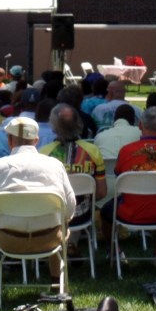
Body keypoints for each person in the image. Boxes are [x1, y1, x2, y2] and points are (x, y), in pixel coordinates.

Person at [0, 117, 76, 296]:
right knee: (59, 218)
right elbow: (70, 207)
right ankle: (56, 281)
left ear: (9, 140)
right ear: (36, 141)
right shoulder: (55, 165)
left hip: (7, 239)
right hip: (49, 238)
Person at [99, 107, 156, 262]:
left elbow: (119, 175)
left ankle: (113, 250)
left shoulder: (126, 151)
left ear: (140, 126)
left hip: (128, 212)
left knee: (105, 212)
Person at [39, 104, 107, 248]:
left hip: (52, 216)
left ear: (54, 126)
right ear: (79, 124)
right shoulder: (93, 151)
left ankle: (62, 244)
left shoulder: (44, 153)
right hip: (83, 216)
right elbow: (101, 193)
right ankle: (71, 243)